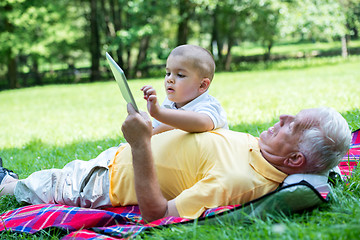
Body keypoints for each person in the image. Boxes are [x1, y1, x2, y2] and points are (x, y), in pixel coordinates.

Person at [0, 106, 351, 222]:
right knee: (46, 177)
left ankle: (6, 182)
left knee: (29, 187)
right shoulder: (266, 151)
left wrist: (140, 143)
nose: (283, 115)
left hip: (102, 183)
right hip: (115, 160)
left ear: (294, 160)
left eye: (294, 125)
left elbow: (157, 214)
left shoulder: (241, 182)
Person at [141, 44, 228, 135]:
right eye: (168, 73)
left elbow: (203, 123)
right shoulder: (169, 103)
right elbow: (154, 131)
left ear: (202, 85)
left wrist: (159, 113)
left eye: (180, 75)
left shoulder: (208, 105)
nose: (169, 79)